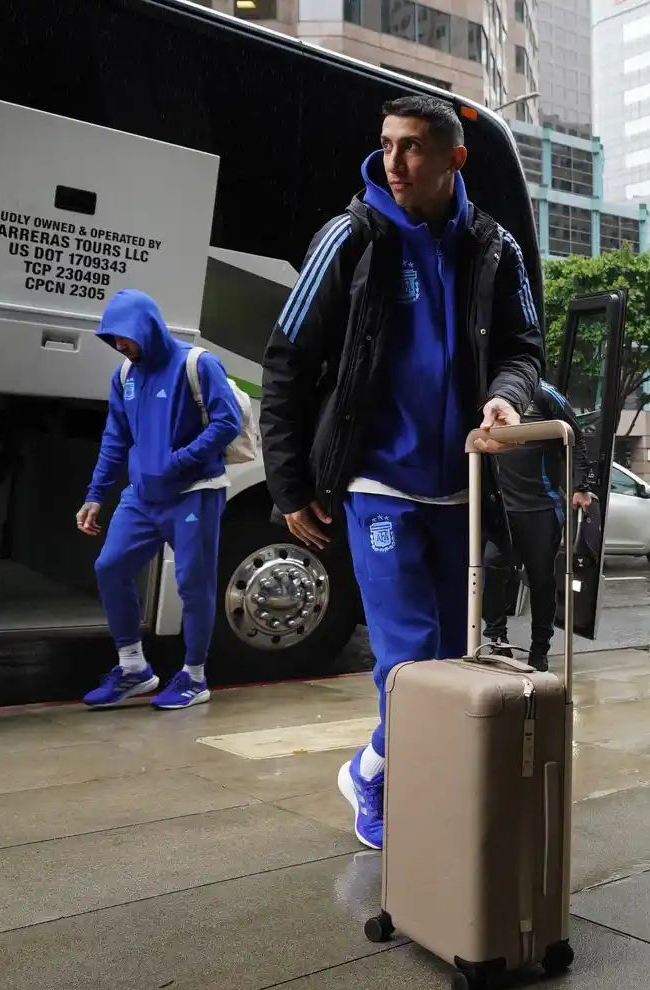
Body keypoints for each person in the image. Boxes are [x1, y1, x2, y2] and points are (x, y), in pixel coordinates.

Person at [260, 95, 544, 850]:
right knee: (412, 658)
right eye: (386, 144)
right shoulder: (351, 236)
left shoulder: (496, 248)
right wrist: (291, 484)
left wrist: (504, 397)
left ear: (455, 159)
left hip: (462, 489)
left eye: (413, 147)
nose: (394, 161)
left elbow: (525, 348)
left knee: (455, 656)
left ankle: (375, 769)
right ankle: (395, 788)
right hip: (377, 483)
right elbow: (287, 359)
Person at [77, 289, 242, 710]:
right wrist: (96, 495)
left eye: (124, 337)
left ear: (145, 327)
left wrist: (179, 462)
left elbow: (228, 422)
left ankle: (195, 676)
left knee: (193, 585)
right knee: (110, 567)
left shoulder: (197, 364)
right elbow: (116, 439)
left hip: (194, 494)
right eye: (111, 339)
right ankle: (133, 668)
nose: (119, 346)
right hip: (142, 497)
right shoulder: (124, 376)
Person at [482, 380, 595, 671]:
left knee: (541, 581)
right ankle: (496, 638)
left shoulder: (544, 393)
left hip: (540, 507)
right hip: (501, 507)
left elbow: (576, 437)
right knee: (492, 571)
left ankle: (539, 650)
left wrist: (581, 486)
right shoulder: (486, 389)